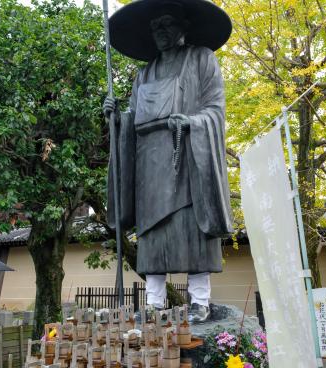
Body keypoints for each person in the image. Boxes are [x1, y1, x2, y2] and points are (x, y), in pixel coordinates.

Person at [104, 0, 233, 322]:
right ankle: (155, 302)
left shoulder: (202, 59)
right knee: (152, 233)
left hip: (187, 155)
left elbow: (215, 109)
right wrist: (116, 118)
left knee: (193, 228)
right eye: (155, 27)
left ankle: (200, 301)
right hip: (149, 162)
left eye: (167, 24)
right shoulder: (144, 73)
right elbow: (133, 120)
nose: (160, 32)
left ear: (183, 26)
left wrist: (192, 122)